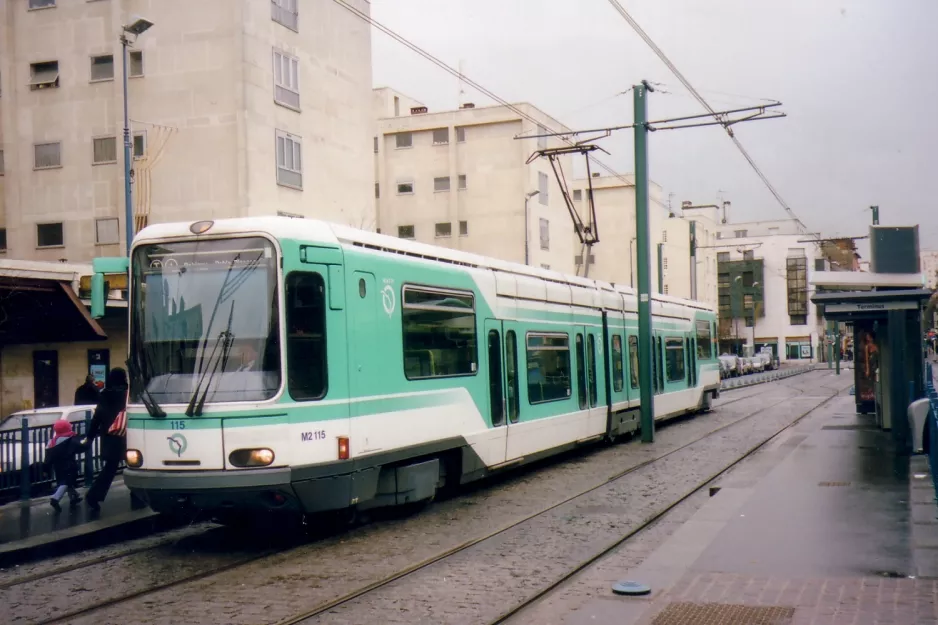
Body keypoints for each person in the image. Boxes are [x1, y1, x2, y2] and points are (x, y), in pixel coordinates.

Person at [85, 368, 128, 512]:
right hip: (128, 435)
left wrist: (90, 437)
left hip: (110, 436)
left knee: (110, 468)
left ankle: (94, 495)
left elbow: (97, 418)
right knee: (137, 464)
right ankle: (139, 495)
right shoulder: (128, 393)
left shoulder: (104, 394)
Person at [44, 419, 85, 512]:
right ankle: (55, 498)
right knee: (66, 482)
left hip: (57, 467)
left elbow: (48, 458)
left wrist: (46, 469)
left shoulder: (51, 442)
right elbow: (81, 447)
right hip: (69, 464)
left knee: (65, 481)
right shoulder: (70, 439)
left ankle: (74, 497)